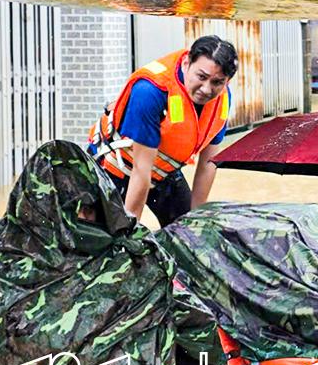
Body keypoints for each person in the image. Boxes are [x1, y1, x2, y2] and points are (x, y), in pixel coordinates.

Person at [86, 36, 236, 227]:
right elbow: (141, 172)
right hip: (118, 170)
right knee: (107, 240)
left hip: (164, 173)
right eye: (201, 77)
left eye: (217, 82)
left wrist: (196, 222)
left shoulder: (222, 99)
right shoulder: (150, 92)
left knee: (186, 232)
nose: (206, 89)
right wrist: (129, 235)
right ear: (186, 63)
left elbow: (208, 163)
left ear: (227, 81)